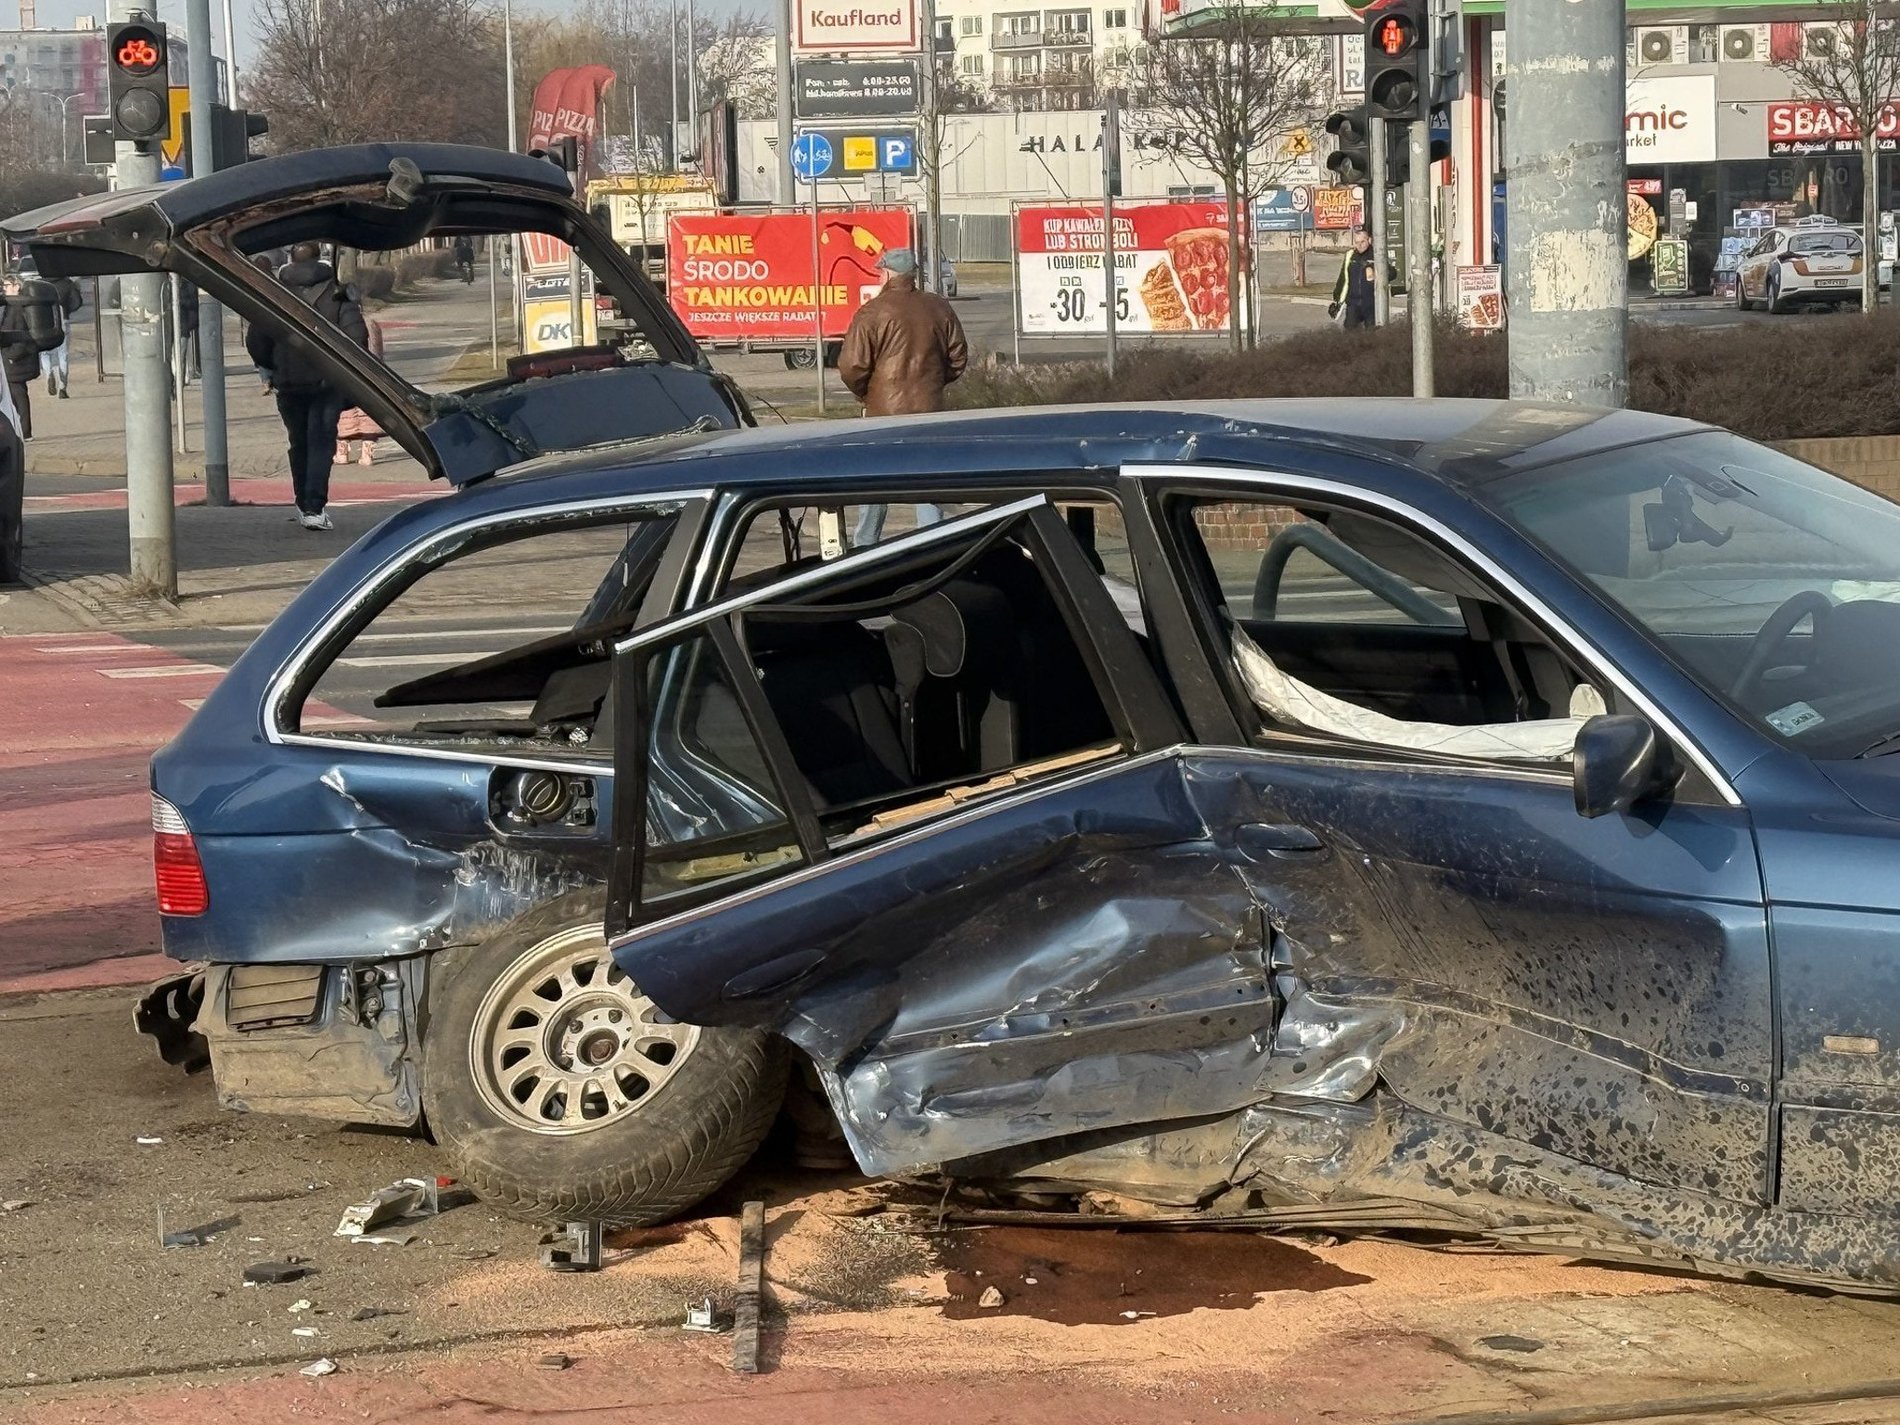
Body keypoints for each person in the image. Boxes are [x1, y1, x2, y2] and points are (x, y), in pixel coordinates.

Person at [838, 248, 968, 547]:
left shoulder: (872, 312)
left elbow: (852, 366)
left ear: (887, 274)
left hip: (882, 415)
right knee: (928, 483)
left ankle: (866, 547)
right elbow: (958, 357)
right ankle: (932, 543)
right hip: (930, 412)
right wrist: (933, 384)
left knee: (875, 482)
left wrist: (867, 394)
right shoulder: (938, 307)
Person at [246, 241, 368, 531]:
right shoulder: (337, 293)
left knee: (298, 442)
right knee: (321, 444)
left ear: (291, 260)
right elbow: (357, 338)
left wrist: (274, 367)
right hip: (328, 383)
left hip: (288, 384)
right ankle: (314, 507)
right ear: (320, 257)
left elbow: (256, 341)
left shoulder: (275, 293)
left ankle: (302, 503)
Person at [0, 270, 65, 440]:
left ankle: (24, 432)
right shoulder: (13, 305)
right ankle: (22, 431)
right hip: (14, 360)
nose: (4, 289)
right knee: (16, 395)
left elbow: (23, 335)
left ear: (16, 286)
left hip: (16, 361)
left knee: (18, 396)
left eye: (7, 285)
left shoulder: (18, 308)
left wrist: (12, 356)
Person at [334, 315, 385, 466]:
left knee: (344, 412)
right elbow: (378, 352)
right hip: (370, 373)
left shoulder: (336, 319)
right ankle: (367, 453)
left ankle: (342, 452)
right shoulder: (370, 324)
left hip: (344, 371)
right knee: (369, 412)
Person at [1329, 228, 1380, 331]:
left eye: (1362, 242)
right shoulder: (1350, 256)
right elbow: (1343, 278)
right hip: (1353, 303)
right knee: (1350, 333)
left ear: (1369, 240)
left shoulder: (1377, 256)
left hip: (1371, 303)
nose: (1359, 245)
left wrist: (1375, 272)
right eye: (1357, 242)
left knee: (1372, 334)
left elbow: (1392, 273)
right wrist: (1336, 300)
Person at [40, 272, 80, 399]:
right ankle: (63, 388)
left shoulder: (40, 284)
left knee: (45, 353)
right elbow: (77, 302)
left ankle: (49, 373)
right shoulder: (67, 283)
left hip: (45, 321)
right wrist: (66, 309)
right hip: (63, 319)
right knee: (63, 354)